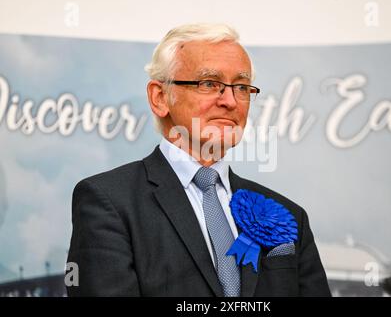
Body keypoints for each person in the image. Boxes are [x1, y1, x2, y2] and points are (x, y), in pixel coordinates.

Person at [66, 23, 331, 297]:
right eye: (209, 83)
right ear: (160, 98)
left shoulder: (289, 216)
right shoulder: (108, 202)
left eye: (241, 86)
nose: (230, 100)